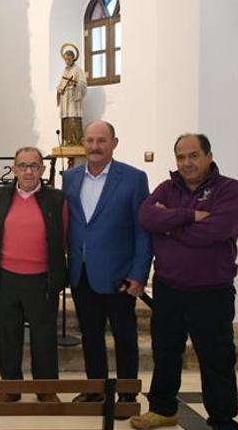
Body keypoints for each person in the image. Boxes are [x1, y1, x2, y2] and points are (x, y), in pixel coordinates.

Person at [131, 134, 238, 430]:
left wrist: (169, 226)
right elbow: (146, 217)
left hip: (212, 291)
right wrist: (190, 216)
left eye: (193, 155)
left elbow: (215, 231)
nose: (186, 162)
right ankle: (162, 409)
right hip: (169, 288)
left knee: (216, 357)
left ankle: (222, 419)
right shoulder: (167, 188)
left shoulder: (230, 190)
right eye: (181, 157)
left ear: (209, 156)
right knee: (166, 352)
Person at [62, 120, 152, 404]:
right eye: (89, 141)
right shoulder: (71, 178)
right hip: (82, 272)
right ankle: (95, 390)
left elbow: (143, 231)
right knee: (90, 335)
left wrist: (139, 274)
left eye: (101, 141)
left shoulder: (134, 178)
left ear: (114, 143)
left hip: (119, 275)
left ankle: (126, 394)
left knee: (125, 337)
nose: (94, 146)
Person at [0, 147, 67, 403]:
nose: (29, 171)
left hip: (42, 279)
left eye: (34, 166)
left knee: (44, 336)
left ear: (42, 170)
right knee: (8, 335)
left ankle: (46, 389)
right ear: (14, 169)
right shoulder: (0, 196)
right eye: (23, 166)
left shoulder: (56, 199)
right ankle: (11, 388)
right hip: (7, 278)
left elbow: (63, 237)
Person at [56, 48, 87, 147]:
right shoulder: (65, 70)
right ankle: (66, 140)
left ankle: (76, 141)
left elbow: (82, 83)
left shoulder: (77, 69)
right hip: (65, 96)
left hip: (73, 96)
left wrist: (75, 85)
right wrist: (59, 88)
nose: (67, 61)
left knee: (73, 117)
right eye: (65, 59)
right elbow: (62, 83)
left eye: (69, 59)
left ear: (73, 58)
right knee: (65, 118)